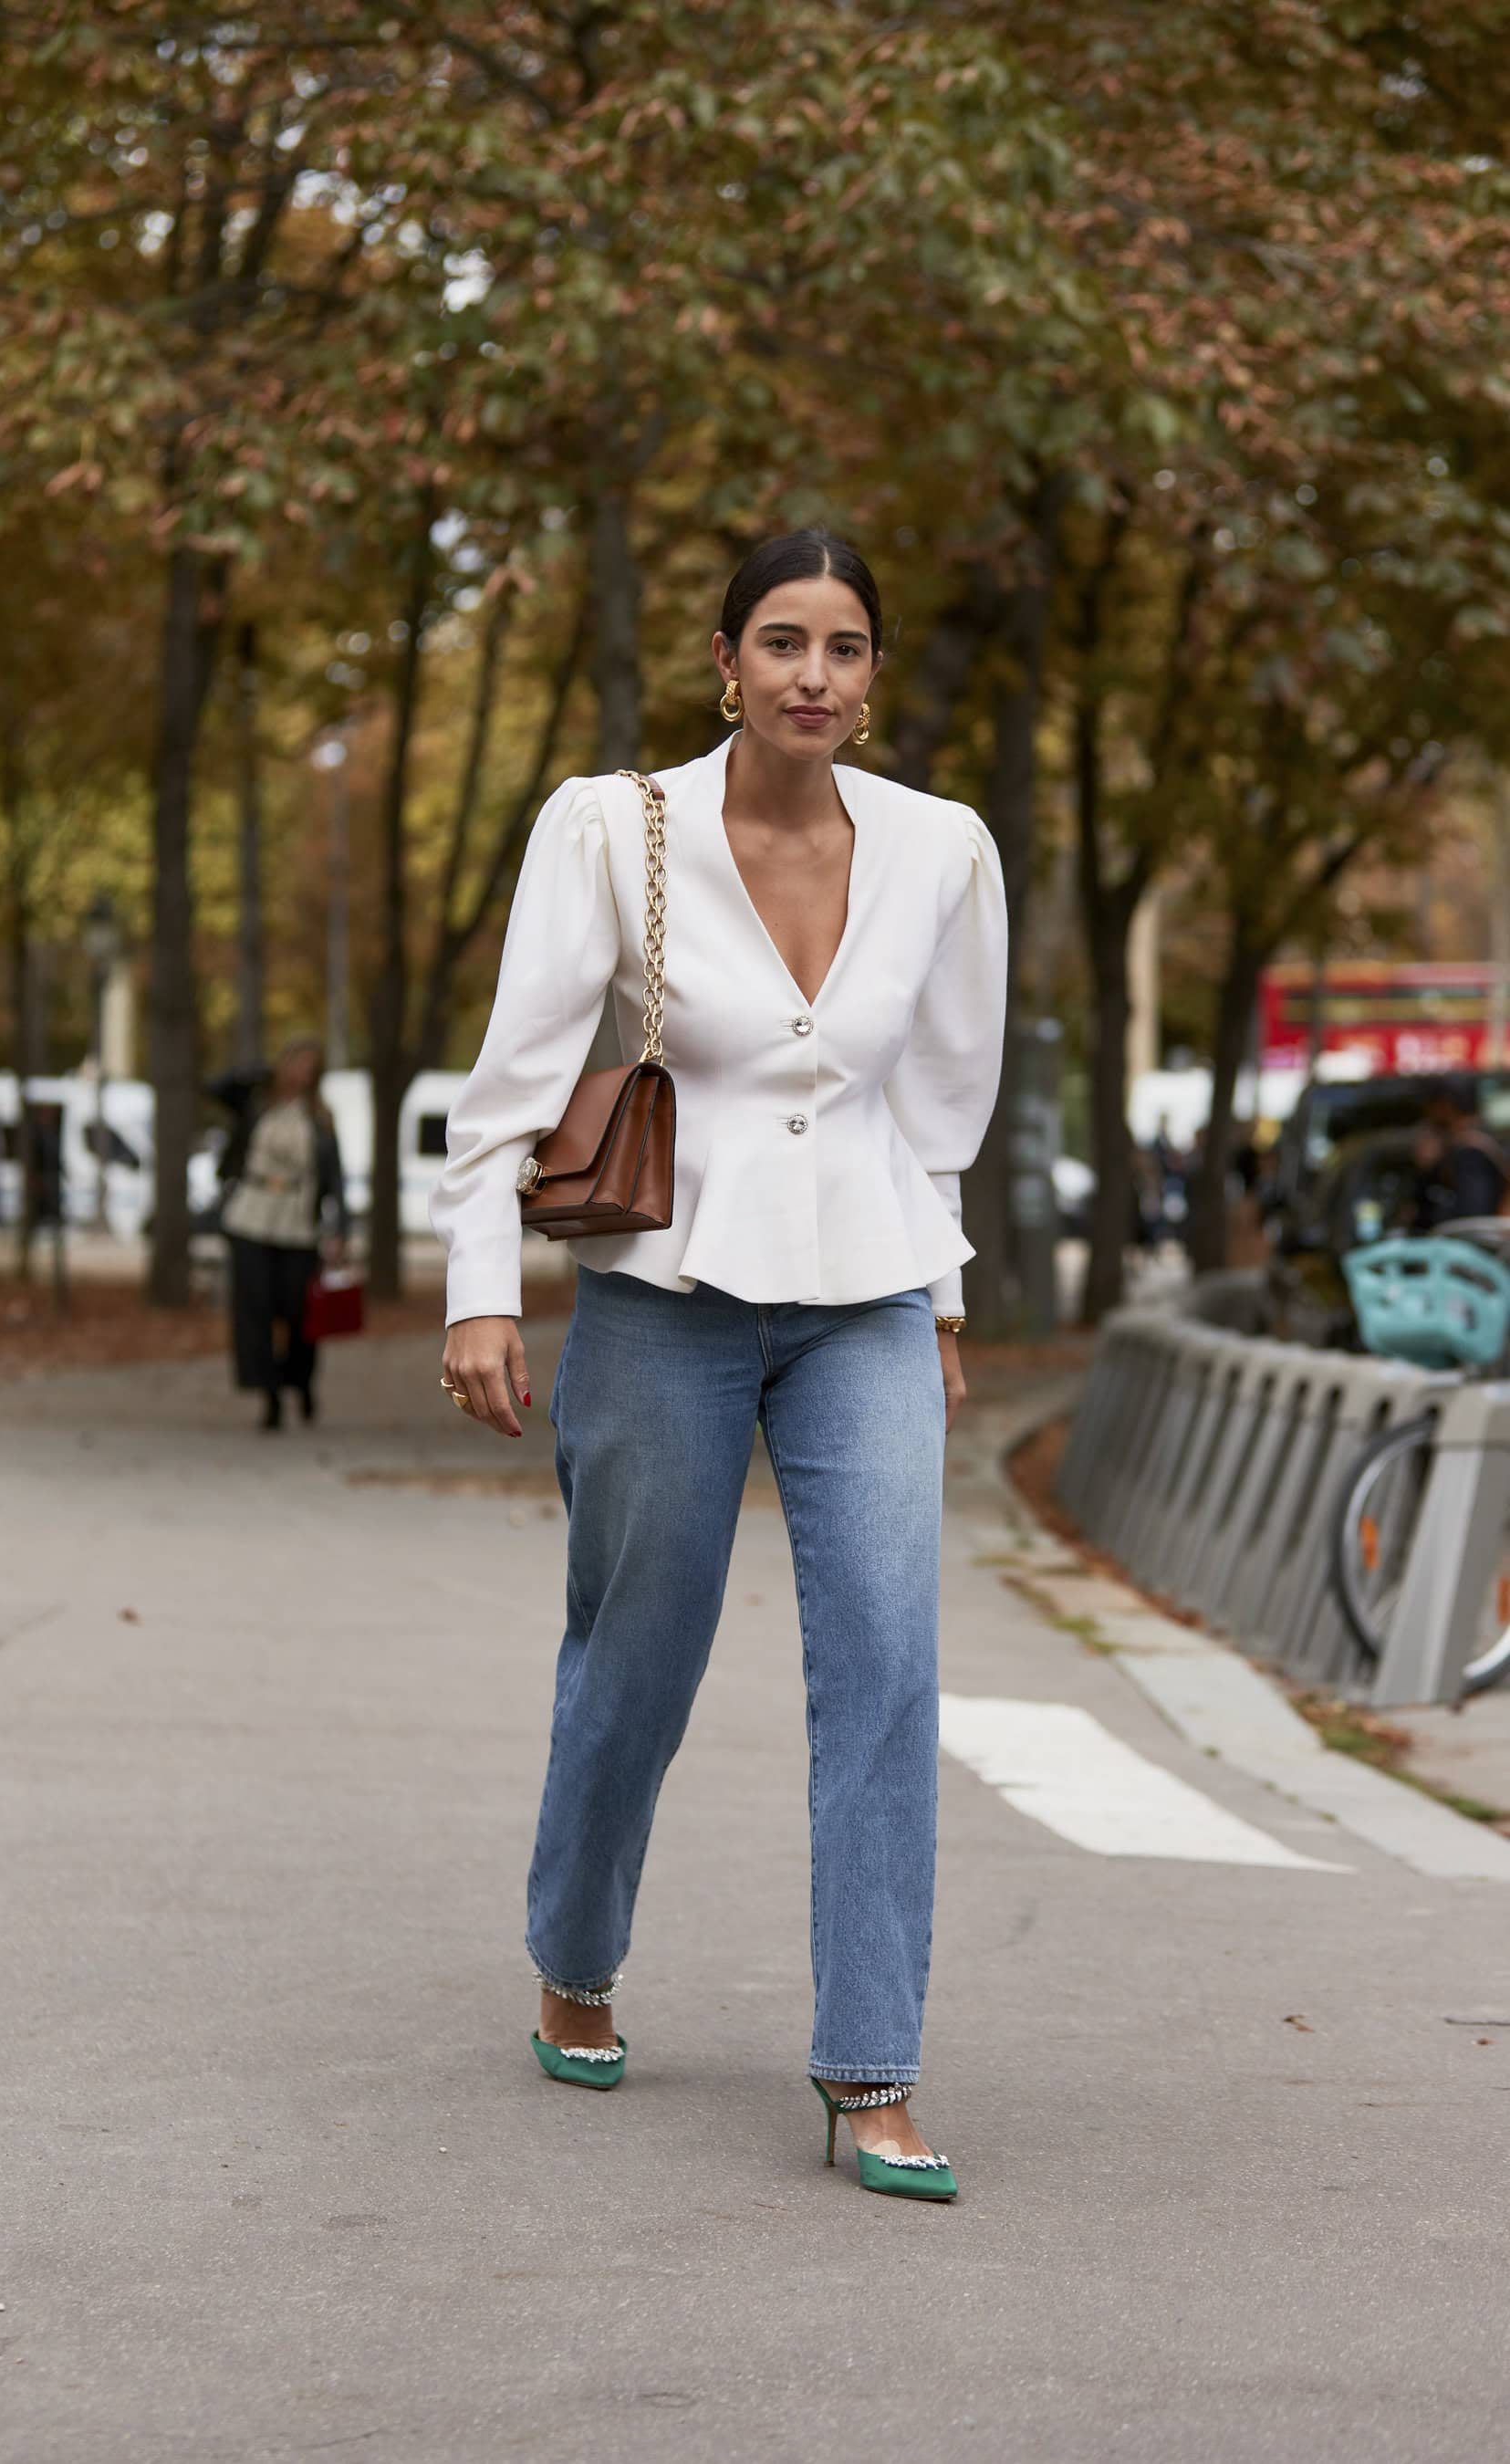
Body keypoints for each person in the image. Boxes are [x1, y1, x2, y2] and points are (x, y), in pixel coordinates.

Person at [432, 531, 1007, 2201]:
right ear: (724, 660)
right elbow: (513, 1081)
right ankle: (577, 1952)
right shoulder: (615, 826)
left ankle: (874, 2067)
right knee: (639, 1653)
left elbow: (939, 1102)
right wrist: (483, 1295)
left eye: (843, 646)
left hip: (872, 1301)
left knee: (890, 1655)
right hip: (665, 1291)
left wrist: (946, 1294)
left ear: (873, 675)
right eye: (782, 642)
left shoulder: (944, 850)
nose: (814, 674)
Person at [219, 1036, 344, 1431]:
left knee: (297, 1311)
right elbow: (216, 1087)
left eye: (311, 1065)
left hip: (298, 1222)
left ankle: (300, 1382)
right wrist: (262, 1075)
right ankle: (268, 1395)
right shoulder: (257, 1105)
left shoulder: (320, 1116)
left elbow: (335, 1176)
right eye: (297, 1062)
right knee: (255, 1311)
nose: (302, 1072)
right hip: (251, 1217)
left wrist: (340, 1226)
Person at [1411, 1071, 1510, 1230]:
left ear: (1445, 1105)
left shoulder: (1471, 1152)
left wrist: (1427, 1171)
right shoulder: (1490, 1138)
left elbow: (1471, 1220)